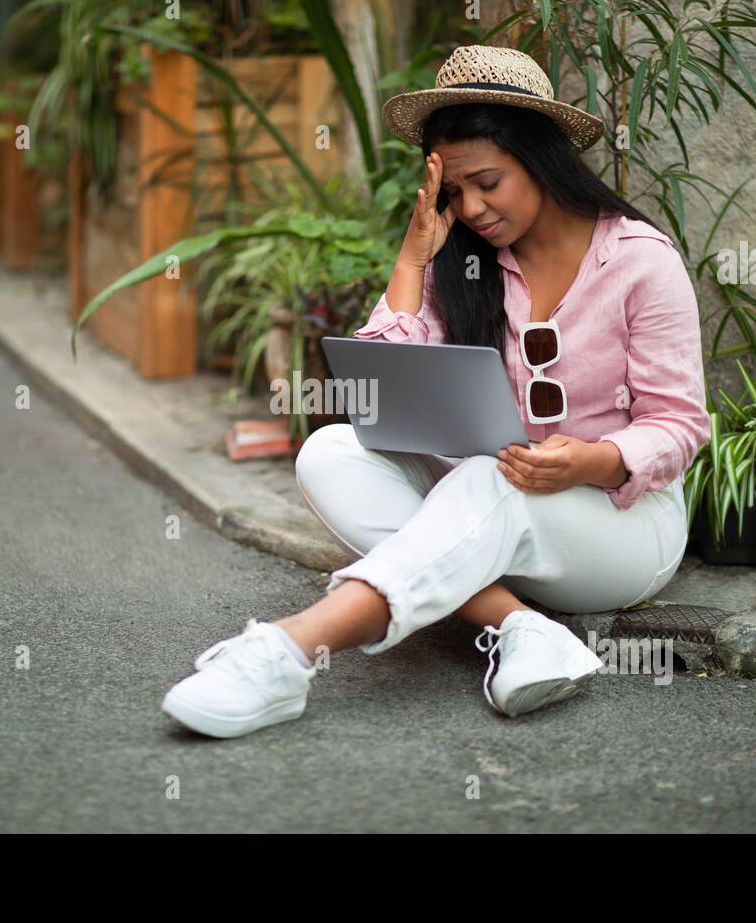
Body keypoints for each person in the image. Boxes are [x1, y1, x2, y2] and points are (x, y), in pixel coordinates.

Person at [162, 44, 711, 739]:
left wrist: (588, 461)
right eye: (453, 192)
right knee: (329, 453)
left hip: (618, 529)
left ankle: (289, 652)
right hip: (492, 504)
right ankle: (521, 627)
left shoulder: (639, 262)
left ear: (541, 159)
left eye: (488, 182)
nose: (472, 208)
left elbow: (679, 425)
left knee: (489, 477)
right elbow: (376, 386)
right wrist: (414, 255)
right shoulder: (467, 263)